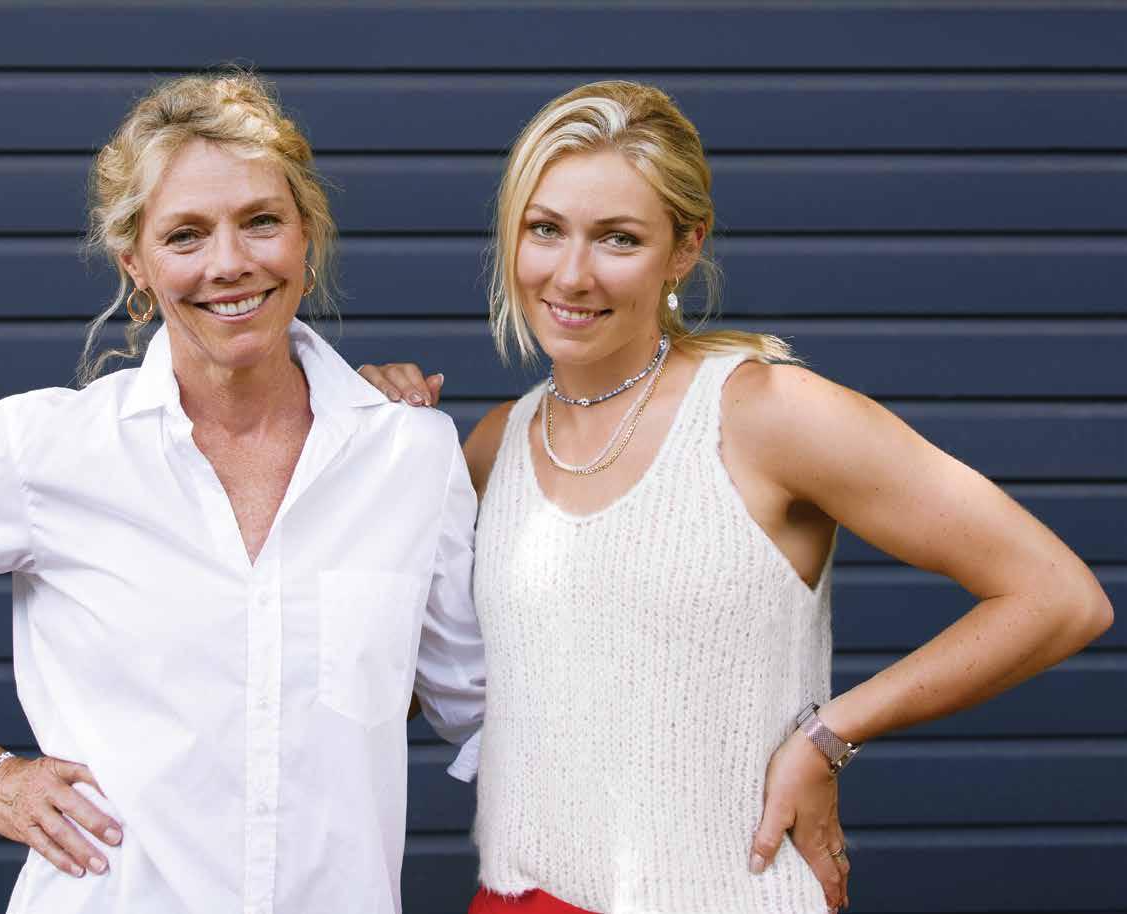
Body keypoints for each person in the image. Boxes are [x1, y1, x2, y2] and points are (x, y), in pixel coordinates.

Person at [358, 80, 1113, 914]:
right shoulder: (494, 445)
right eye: (545, 229)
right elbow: (390, 677)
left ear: (684, 247)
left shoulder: (766, 413)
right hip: (520, 897)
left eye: (617, 238)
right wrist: (362, 444)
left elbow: (1058, 597)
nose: (570, 274)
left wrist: (827, 737)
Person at [0, 72, 485, 914]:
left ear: (307, 238)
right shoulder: (52, 449)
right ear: (136, 267)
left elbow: (475, 704)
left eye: (261, 221)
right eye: (185, 235)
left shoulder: (407, 455)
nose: (230, 262)